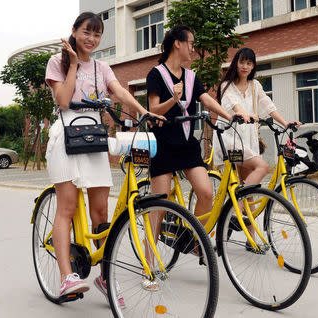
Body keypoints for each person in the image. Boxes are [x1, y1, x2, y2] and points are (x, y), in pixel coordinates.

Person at [45, 12, 162, 301]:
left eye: (97, 35)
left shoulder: (101, 67)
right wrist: (73, 63)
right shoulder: (57, 62)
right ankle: (66, 277)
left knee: (101, 213)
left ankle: (104, 277)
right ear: (74, 31)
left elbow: (120, 92)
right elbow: (63, 100)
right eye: (87, 32)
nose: (92, 39)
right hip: (66, 135)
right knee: (68, 207)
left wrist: (142, 110)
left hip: (94, 137)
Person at [144, 25, 248, 289]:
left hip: (187, 145)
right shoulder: (156, 74)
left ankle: (190, 239)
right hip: (163, 144)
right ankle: (149, 267)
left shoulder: (191, 76)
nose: (193, 48)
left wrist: (229, 115)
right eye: (191, 43)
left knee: (205, 193)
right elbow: (153, 109)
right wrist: (173, 99)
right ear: (177, 43)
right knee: (160, 205)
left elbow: (206, 100)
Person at [213, 47, 300, 250]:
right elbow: (235, 106)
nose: (245, 66)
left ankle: (251, 239)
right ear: (236, 63)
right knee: (261, 167)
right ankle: (235, 210)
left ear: (253, 66)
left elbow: (267, 105)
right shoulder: (227, 85)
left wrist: (285, 123)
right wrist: (244, 114)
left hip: (248, 140)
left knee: (248, 190)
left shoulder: (255, 85)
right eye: (242, 62)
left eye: (249, 63)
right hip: (231, 139)